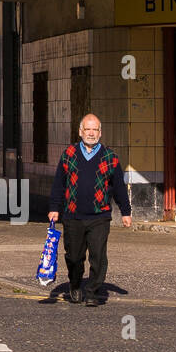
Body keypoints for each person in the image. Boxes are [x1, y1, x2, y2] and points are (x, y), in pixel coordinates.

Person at [47, 113, 132, 306]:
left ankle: (93, 291)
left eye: (95, 130)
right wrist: (54, 208)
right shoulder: (69, 154)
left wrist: (126, 212)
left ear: (100, 133)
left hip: (99, 216)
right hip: (72, 216)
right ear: (80, 131)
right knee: (74, 257)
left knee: (98, 256)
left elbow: (119, 186)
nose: (91, 133)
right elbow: (59, 183)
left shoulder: (110, 157)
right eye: (88, 129)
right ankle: (75, 285)